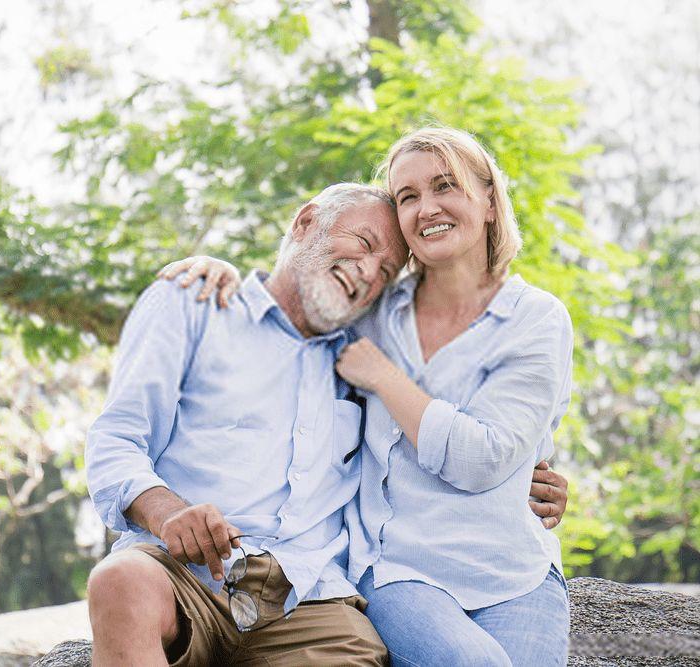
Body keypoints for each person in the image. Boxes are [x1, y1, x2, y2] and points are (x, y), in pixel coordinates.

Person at [159, 127, 573, 666]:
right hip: (399, 570)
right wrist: (225, 275)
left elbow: (485, 459)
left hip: (517, 570)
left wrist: (385, 378)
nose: (427, 208)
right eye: (408, 197)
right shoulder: (370, 309)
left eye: (445, 186)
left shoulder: (537, 319)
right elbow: (287, 313)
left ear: (490, 200)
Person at [85, 183, 405, 667]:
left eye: (386, 271)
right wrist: (168, 512)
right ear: (305, 223)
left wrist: (519, 472)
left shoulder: (368, 358)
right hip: (181, 575)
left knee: (358, 651)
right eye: (363, 243)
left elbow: (448, 421)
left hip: (307, 598)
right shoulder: (194, 303)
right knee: (119, 581)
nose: (368, 271)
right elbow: (116, 438)